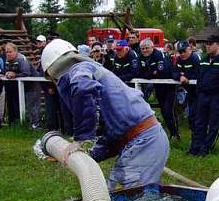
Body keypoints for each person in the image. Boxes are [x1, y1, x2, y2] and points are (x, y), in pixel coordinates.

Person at [41, 39, 170, 189]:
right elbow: (112, 132)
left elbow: (82, 90)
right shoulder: (87, 70)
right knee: (116, 195)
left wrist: (80, 139)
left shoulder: (79, 70)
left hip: (144, 140)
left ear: (53, 71)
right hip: (144, 139)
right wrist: (89, 155)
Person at [189, 34, 219, 156]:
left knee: (214, 124)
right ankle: (195, 147)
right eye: (207, 44)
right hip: (203, 96)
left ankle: (206, 148)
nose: (207, 46)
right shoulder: (203, 60)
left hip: (217, 97)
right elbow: (199, 78)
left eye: (211, 44)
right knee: (199, 122)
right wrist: (199, 92)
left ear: (218, 45)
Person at [139, 38, 180, 140]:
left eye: (147, 48)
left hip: (169, 87)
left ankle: (175, 133)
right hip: (158, 87)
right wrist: (152, 73)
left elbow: (162, 72)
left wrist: (150, 74)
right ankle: (170, 132)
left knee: (168, 111)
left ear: (152, 47)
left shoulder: (158, 55)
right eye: (142, 49)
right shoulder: (141, 57)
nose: (144, 50)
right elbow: (139, 72)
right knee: (163, 111)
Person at [2, 42, 34, 125]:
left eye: (10, 52)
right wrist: (6, 73)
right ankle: (12, 125)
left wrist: (15, 75)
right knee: (11, 105)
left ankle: (27, 125)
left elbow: (27, 72)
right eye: (7, 52)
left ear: (16, 51)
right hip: (13, 87)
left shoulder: (21, 59)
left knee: (25, 106)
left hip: (29, 87)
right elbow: (5, 70)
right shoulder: (6, 60)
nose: (8, 54)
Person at [174, 39, 201, 131]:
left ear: (189, 49)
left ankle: (198, 133)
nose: (182, 54)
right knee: (191, 113)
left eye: (183, 51)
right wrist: (180, 77)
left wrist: (186, 78)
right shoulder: (178, 60)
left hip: (200, 91)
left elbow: (199, 74)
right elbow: (174, 72)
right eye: (180, 51)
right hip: (190, 91)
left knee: (196, 113)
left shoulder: (195, 58)